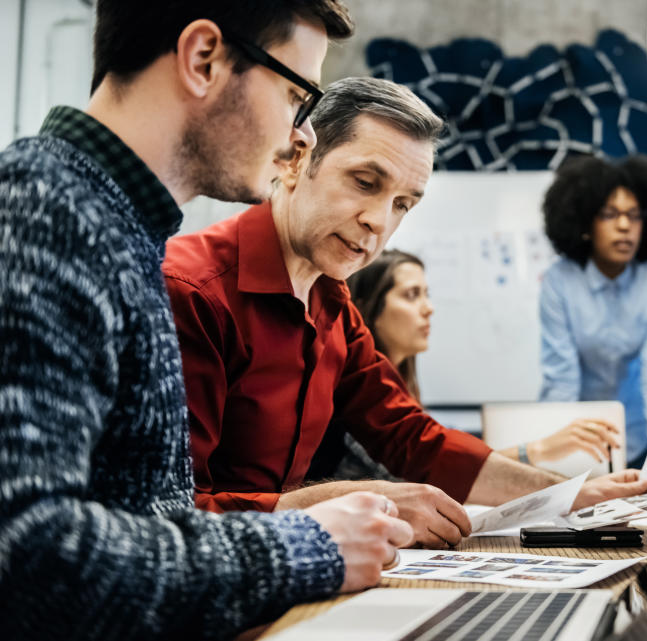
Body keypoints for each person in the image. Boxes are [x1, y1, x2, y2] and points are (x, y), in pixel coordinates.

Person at [0, 4, 422, 640]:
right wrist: (301, 543)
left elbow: (149, 519)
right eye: (294, 94)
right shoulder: (44, 215)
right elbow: (28, 559)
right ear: (203, 60)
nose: (303, 139)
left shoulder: (118, 229)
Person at [164, 77, 647, 551]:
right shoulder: (191, 292)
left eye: (402, 204)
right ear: (296, 160)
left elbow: (413, 438)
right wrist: (341, 501)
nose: (379, 221)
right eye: (364, 182)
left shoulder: (332, 301)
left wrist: (573, 496)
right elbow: (170, 517)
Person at [313, 248, 623, 481]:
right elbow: (414, 477)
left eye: (427, 294)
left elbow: (438, 450)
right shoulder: (356, 397)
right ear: (368, 308)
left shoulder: (403, 389)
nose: (429, 308)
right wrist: (537, 452)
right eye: (411, 295)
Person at [539, 154, 647, 469]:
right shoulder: (559, 281)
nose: (624, 226)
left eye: (634, 215)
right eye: (610, 214)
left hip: (637, 439)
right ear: (585, 224)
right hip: (577, 442)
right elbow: (561, 379)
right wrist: (549, 464)